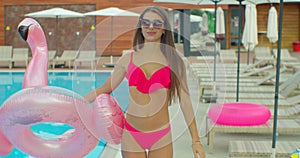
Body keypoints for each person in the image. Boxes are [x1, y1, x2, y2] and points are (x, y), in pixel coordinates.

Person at [84, 6, 206, 158]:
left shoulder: (175, 61)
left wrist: (196, 140)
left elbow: (185, 102)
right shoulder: (127, 59)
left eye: (157, 23)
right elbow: (105, 88)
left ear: (164, 29)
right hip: (132, 134)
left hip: (161, 134)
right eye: (146, 22)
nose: (150, 27)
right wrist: (78, 102)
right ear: (140, 26)